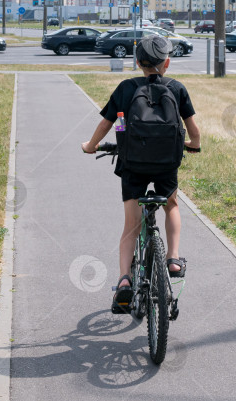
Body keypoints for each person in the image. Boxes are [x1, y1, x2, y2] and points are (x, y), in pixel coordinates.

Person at [81, 35, 202, 312]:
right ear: (167, 63)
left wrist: (90, 146)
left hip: (132, 165)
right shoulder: (177, 89)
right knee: (171, 205)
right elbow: (193, 130)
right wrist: (193, 145)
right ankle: (172, 258)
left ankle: (124, 280)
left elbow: (106, 124)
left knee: (131, 225)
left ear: (137, 63)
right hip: (165, 165)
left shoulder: (125, 89)